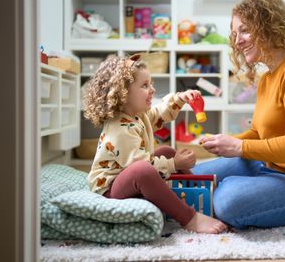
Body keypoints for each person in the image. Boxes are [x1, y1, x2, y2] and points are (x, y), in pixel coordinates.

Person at [194, 0, 285, 229]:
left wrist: (240, 148)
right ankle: (234, 186)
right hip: (270, 165)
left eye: (244, 30)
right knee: (193, 175)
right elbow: (259, 134)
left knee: (227, 201)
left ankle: (230, 188)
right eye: (234, 34)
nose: (237, 41)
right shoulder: (268, 77)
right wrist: (227, 142)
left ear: (269, 25)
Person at [83, 54, 227, 234]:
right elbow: (137, 165)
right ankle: (189, 217)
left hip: (126, 178)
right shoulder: (119, 129)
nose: (152, 89)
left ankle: (197, 195)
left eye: (151, 84)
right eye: (144, 85)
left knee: (166, 151)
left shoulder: (138, 114)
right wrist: (175, 165)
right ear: (123, 94)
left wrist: (180, 98)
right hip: (109, 189)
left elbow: (160, 114)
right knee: (143, 170)